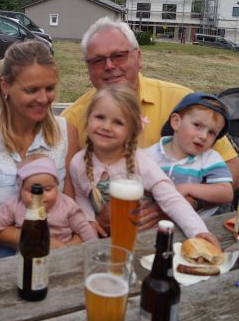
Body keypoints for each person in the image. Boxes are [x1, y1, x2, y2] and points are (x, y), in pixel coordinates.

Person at [62, 16, 239, 229]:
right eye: (97, 60)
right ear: (88, 68)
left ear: (139, 57)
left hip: (182, 231)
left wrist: (191, 201)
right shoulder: (72, 119)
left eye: (118, 56)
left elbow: (232, 166)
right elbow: (70, 192)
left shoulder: (180, 102)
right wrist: (95, 221)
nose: (109, 66)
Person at [0, 40, 79, 262]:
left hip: (58, 249)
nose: (43, 99)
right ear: (5, 86)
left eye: (49, 88)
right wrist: (41, 241)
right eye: (31, 90)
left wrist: (72, 245)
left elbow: (74, 209)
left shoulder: (66, 132)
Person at [69, 85, 219, 247]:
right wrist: (90, 221)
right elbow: (82, 197)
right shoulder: (78, 162)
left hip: (147, 241)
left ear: (132, 131)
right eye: (100, 117)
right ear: (88, 119)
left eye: (118, 122)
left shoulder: (141, 161)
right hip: (107, 242)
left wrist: (198, 232)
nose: (106, 126)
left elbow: (171, 198)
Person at [0, 156, 96, 248]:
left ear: (56, 187)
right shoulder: (16, 204)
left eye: (48, 189)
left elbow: (83, 227)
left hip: (63, 252)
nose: (40, 196)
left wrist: (95, 248)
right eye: (32, 190)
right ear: (20, 190)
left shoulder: (66, 205)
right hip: (28, 254)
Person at [145, 92, 234, 218]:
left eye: (212, 132)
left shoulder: (209, 158)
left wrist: (187, 188)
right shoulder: (149, 155)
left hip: (199, 221)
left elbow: (226, 193)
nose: (203, 136)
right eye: (197, 125)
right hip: (156, 220)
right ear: (176, 122)